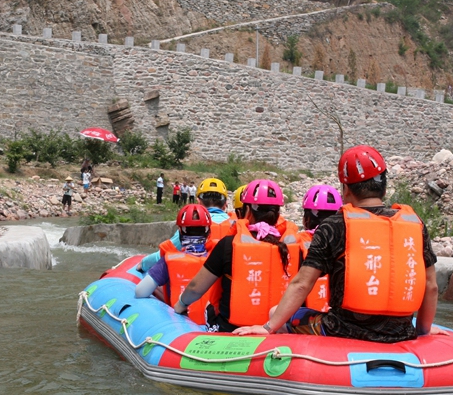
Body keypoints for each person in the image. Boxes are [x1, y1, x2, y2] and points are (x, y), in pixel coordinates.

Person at [234, 145, 439, 342]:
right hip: (400, 332)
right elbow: (431, 287)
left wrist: (268, 327)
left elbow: (302, 284)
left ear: (346, 190)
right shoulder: (415, 224)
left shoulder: (334, 226)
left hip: (342, 330)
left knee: (274, 313)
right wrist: (422, 333)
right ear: (384, 188)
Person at [173, 179, 301, 333]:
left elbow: (195, 288)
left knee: (209, 306)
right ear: (278, 213)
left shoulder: (228, 244)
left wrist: (181, 304)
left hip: (231, 329)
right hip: (274, 329)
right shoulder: (293, 248)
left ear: (246, 210)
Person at [135, 204, 220, 324]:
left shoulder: (169, 260)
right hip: (214, 324)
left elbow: (140, 291)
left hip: (180, 324)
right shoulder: (220, 257)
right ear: (208, 231)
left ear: (180, 231)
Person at [138, 177, 233, 274]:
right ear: (225, 204)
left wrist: (143, 264)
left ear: (198, 202)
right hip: (228, 284)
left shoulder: (191, 225)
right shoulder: (238, 225)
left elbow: (163, 254)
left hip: (197, 282)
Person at [283, 184, 343, 332]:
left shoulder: (293, 245)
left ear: (305, 220)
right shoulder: (347, 243)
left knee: (274, 312)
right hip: (339, 318)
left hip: (315, 322)